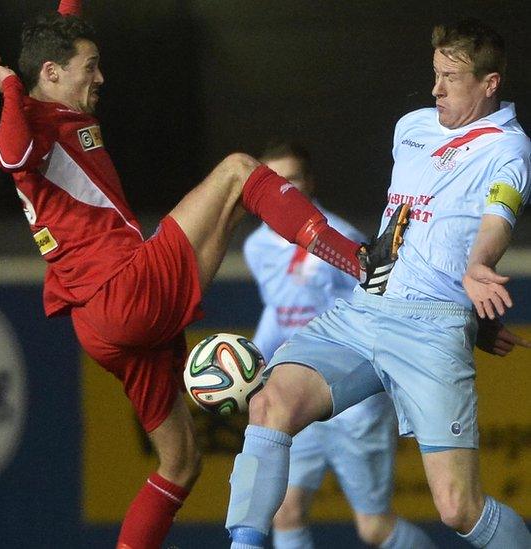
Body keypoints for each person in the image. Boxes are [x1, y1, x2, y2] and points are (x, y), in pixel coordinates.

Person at [0, 1, 410, 547]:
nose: (100, 76)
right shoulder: (35, 120)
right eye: (90, 66)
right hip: (125, 289)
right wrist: (11, 89)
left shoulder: (58, 102)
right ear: (50, 74)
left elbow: (60, 38)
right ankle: (361, 263)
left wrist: (69, 16)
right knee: (237, 171)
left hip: (99, 324)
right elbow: (10, 151)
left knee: (180, 464)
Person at [225, 18, 531, 549]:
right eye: (434, 74)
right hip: (365, 312)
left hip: (431, 332)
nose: (436, 88)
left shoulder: (509, 150)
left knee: (459, 509)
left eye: (451, 78)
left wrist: (479, 267)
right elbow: (411, 232)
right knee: (268, 404)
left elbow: (497, 215)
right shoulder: (411, 127)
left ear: (490, 84)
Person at [244, 140, 437, 548]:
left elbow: (377, 314)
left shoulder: (341, 239)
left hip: (352, 403)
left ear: (310, 183)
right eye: (273, 181)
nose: (284, 190)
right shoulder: (257, 246)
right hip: (295, 387)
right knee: (284, 511)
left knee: (373, 526)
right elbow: (279, 311)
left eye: (292, 179)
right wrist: (254, 358)